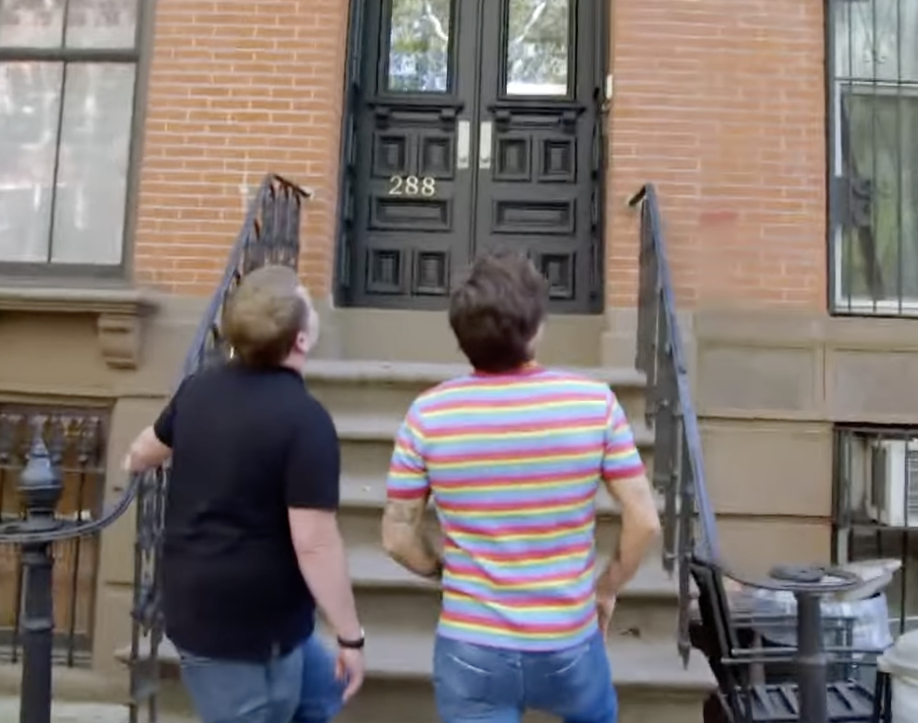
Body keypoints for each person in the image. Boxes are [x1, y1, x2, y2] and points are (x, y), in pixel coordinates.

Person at [381, 250, 663, 723]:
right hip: (568, 639)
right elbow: (644, 520)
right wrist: (607, 587)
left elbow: (397, 536)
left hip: (472, 644)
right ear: (536, 329)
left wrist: (440, 569)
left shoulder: (428, 415)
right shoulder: (593, 404)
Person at [123, 264, 365, 723]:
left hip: (257, 618)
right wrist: (351, 636)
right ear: (300, 340)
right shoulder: (306, 421)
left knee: (319, 695)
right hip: (231, 628)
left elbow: (142, 452)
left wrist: (136, 461)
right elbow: (314, 542)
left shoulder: (198, 391)